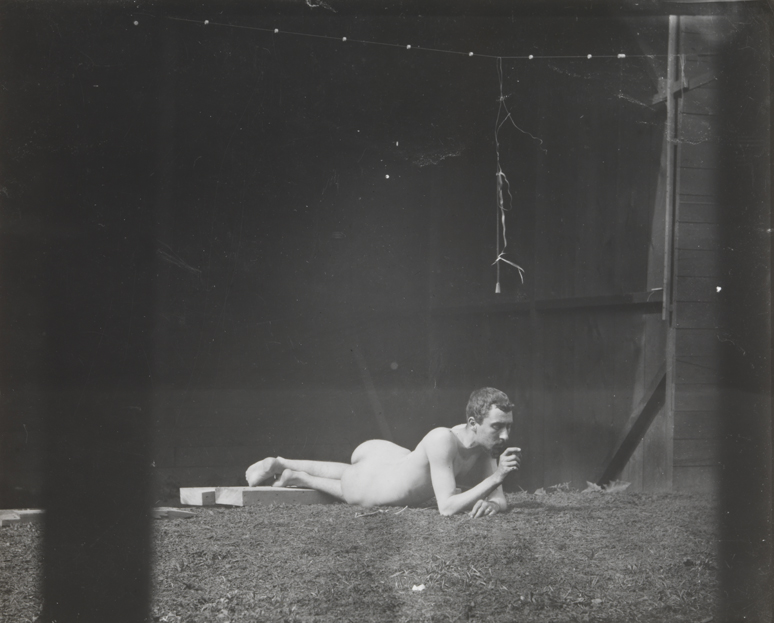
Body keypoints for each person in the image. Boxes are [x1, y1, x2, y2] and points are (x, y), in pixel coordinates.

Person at [245, 387, 521, 518]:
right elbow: (447, 507)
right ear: (473, 424)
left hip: (390, 459)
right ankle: (300, 478)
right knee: (351, 481)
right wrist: (496, 478)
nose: (504, 436)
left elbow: (499, 498)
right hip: (373, 483)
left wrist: (494, 502)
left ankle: (282, 464)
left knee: (350, 471)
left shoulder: (485, 446)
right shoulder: (443, 439)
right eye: (497, 427)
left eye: (507, 427)